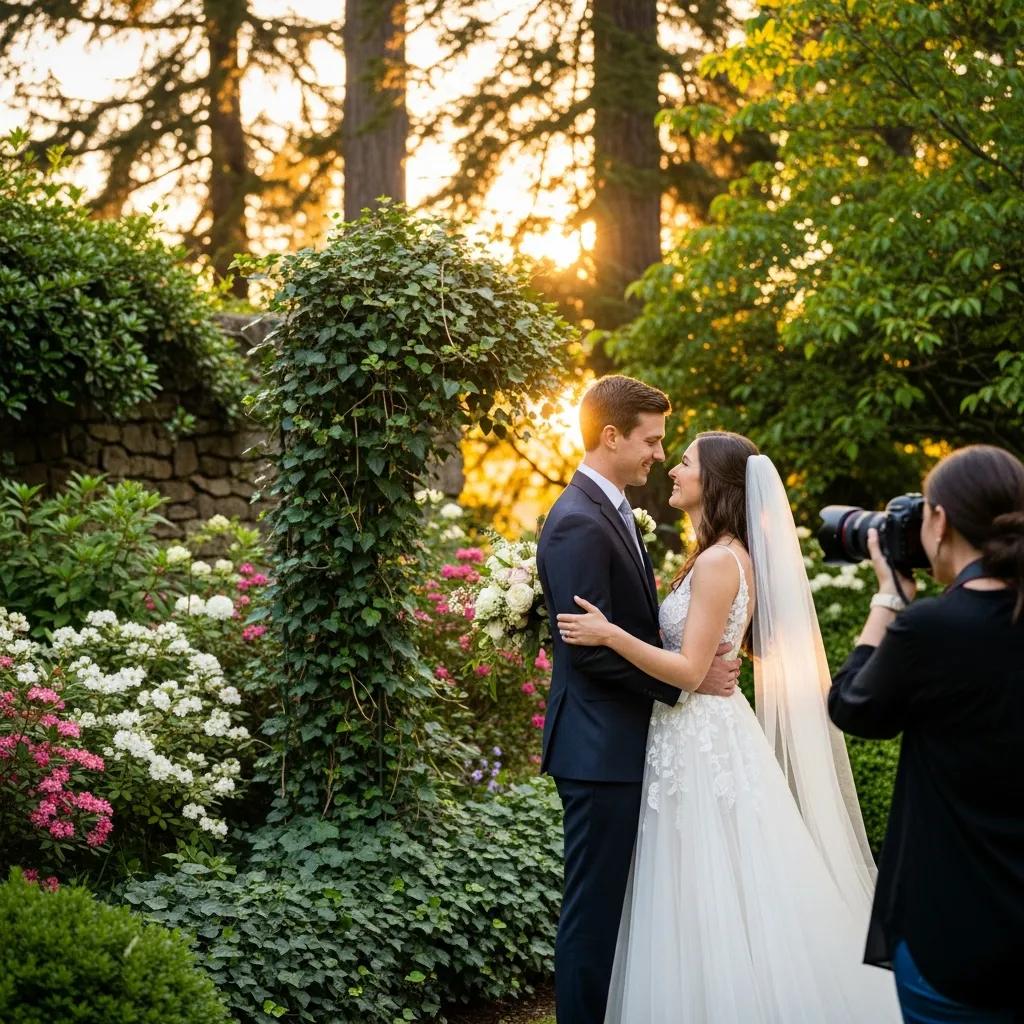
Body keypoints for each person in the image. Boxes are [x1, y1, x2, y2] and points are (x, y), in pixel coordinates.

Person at [558, 429, 900, 1022]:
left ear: (713, 482)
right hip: (692, 730)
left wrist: (610, 635)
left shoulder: (720, 561)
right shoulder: (718, 554)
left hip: (700, 740)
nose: (672, 469)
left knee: (707, 880)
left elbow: (690, 670)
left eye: (685, 462)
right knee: (700, 883)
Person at [536, 376, 741, 1024]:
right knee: (594, 916)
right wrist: (684, 680)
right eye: (651, 441)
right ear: (611, 436)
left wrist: (687, 670)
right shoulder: (576, 522)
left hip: (624, 743)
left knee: (621, 912)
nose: (659, 453)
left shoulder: (614, 511)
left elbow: (627, 628)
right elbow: (588, 650)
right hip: (597, 750)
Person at [828, 444, 1024, 1023]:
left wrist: (890, 597)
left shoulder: (932, 629)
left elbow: (852, 706)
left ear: (939, 520)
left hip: (952, 931)